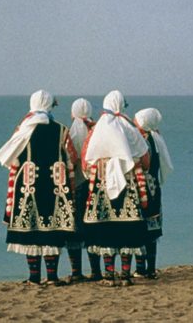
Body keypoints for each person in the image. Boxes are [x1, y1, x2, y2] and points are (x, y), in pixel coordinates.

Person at [0, 90, 76, 285]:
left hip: (29, 182)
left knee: (31, 229)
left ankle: (34, 277)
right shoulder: (62, 130)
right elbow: (71, 159)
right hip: (55, 182)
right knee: (53, 228)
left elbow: (12, 158)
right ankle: (53, 276)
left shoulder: (23, 129)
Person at [81, 90, 150, 286]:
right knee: (127, 227)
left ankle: (108, 275)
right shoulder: (129, 128)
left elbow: (86, 161)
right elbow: (145, 158)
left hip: (101, 185)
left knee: (106, 227)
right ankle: (126, 275)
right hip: (128, 184)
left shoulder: (96, 130)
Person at [132, 108, 174, 279]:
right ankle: (151, 268)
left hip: (142, 187)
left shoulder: (142, 140)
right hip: (154, 188)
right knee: (152, 227)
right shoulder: (156, 139)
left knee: (141, 227)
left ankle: (141, 268)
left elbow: (141, 163)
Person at [65, 98, 102, 281]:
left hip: (76, 184)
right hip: (94, 185)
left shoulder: (72, 131)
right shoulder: (96, 129)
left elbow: (70, 158)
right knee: (93, 228)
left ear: (73, 113)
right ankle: (96, 271)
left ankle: (76, 272)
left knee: (75, 229)